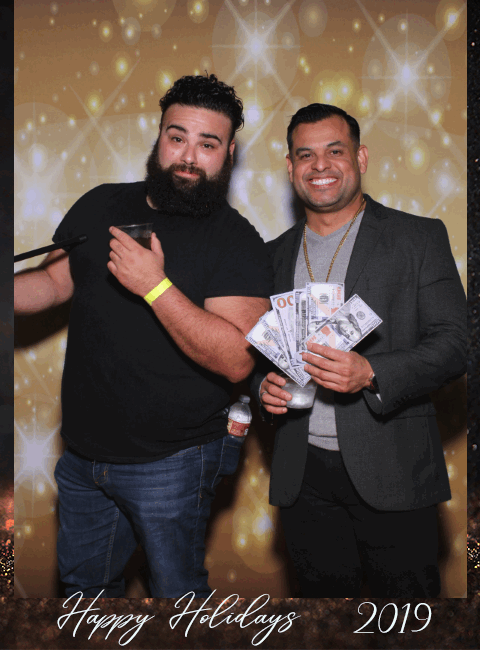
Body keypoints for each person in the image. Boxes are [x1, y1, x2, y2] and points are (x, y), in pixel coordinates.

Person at [15, 74, 272, 598]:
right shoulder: (100, 205)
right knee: (83, 594)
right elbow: (51, 283)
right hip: (83, 457)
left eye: (208, 144)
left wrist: (154, 286)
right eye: (177, 137)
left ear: (227, 154)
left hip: (174, 462)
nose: (188, 157)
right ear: (159, 138)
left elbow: (237, 359)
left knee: (177, 598)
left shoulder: (236, 239)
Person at [253, 102, 466, 598]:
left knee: (407, 623)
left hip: (393, 469)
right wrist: (262, 387)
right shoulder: (271, 255)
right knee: (324, 624)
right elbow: (259, 355)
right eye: (305, 155)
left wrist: (372, 371)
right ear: (290, 167)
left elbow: (457, 343)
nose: (320, 166)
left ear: (361, 157)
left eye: (335, 151)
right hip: (302, 477)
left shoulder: (418, 237)